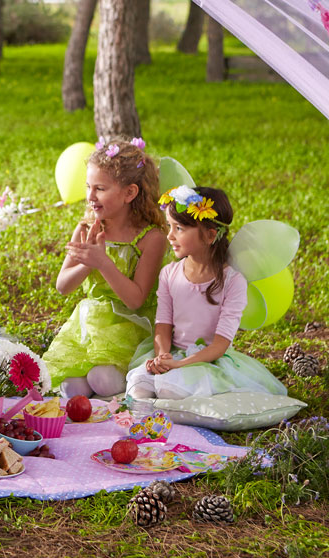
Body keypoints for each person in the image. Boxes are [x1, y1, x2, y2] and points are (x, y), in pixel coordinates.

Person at [125, 186, 287, 399]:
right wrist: (163, 357)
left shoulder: (233, 282)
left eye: (179, 228)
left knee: (168, 390)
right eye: (169, 226)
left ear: (210, 235)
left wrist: (180, 364)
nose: (170, 235)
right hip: (173, 353)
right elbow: (163, 325)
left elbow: (220, 344)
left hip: (208, 360)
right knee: (138, 387)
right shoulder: (169, 274)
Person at [43, 138, 168, 398]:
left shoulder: (150, 238)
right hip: (89, 324)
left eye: (100, 188)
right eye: (88, 187)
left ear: (129, 193)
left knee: (103, 381)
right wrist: (88, 265)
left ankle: (119, 391)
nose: (90, 196)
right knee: (70, 388)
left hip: (128, 325)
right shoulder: (87, 229)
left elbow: (135, 300)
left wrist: (103, 263)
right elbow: (63, 286)